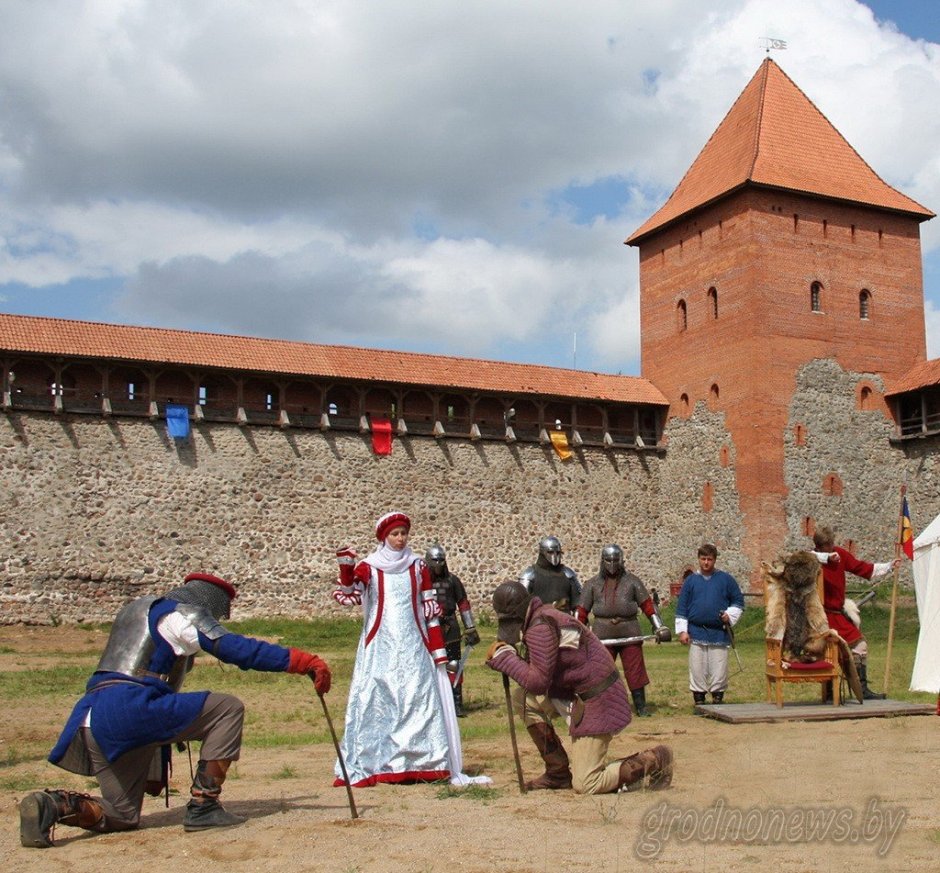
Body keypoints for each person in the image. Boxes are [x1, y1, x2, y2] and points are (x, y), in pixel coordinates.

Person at [19, 573, 331, 849]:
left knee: (122, 814)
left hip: (92, 716)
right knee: (226, 708)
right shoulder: (181, 615)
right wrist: (299, 661)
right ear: (208, 601)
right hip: (130, 708)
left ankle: (53, 806)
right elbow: (234, 649)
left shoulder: (135, 611)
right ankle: (204, 805)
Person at [333, 511, 490, 787]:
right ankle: (378, 761)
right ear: (384, 537)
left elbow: (430, 608)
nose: (400, 538)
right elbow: (350, 596)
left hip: (414, 645)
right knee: (380, 699)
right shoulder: (370, 567)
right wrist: (347, 568)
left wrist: (437, 649)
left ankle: (424, 762)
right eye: (394, 534)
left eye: (403, 533)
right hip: (380, 644)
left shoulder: (418, 566)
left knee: (417, 699)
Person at [486, 581, 673, 794]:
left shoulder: (541, 626)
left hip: (597, 699)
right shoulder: (541, 618)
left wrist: (506, 659)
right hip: (574, 695)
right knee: (523, 698)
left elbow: (538, 682)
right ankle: (557, 773)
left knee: (586, 783)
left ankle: (654, 759)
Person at [577, 544, 671, 717]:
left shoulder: (632, 582)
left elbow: (647, 606)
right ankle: (600, 707)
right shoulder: (592, 584)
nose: (612, 564)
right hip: (602, 633)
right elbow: (582, 611)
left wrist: (658, 625)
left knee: (635, 670)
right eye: (608, 560)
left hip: (630, 631)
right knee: (601, 671)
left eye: (615, 560)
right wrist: (576, 631)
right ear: (602, 561)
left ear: (621, 561)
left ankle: (641, 707)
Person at [812, 526, 901, 700]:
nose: (829, 548)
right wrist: (826, 557)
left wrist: (890, 566)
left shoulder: (840, 555)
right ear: (819, 546)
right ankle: (830, 691)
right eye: (825, 546)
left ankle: (862, 689)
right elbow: (801, 557)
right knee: (831, 651)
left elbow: (862, 568)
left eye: (830, 545)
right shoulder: (811, 558)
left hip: (836, 614)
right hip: (819, 616)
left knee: (860, 645)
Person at [675, 543, 744, 705]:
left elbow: (738, 601)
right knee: (697, 667)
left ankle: (717, 697)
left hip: (719, 631)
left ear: (715, 560)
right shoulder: (691, 581)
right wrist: (683, 631)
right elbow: (682, 607)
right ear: (699, 559)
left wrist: (729, 615)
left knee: (719, 667)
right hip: (696, 631)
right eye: (703, 559)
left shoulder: (726, 580)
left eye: (710, 559)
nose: (706, 562)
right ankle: (699, 698)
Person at [425, 544, 481, 717]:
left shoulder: (452, 581)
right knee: (428, 665)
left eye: (442, 560)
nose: (439, 564)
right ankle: (432, 705)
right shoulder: (421, 581)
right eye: (435, 560)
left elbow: (463, 604)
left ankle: (456, 704)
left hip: (450, 626)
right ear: (428, 561)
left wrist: (470, 627)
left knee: (454, 665)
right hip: (428, 627)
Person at [519, 535, 581, 613]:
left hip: (564, 621)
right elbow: (521, 605)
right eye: (550, 552)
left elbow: (578, 605)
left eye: (557, 552)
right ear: (542, 552)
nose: (554, 556)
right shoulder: (529, 575)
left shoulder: (568, 574)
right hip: (539, 621)